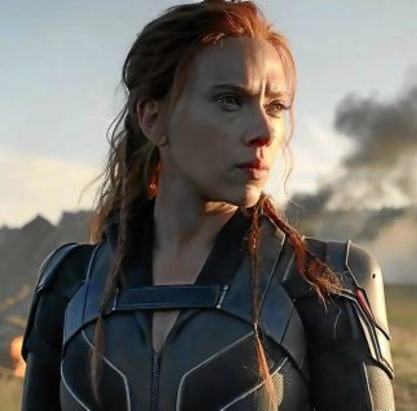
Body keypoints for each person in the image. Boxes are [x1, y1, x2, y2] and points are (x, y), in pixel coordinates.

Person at [21, 1, 394, 410]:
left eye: (276, 107)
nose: (264, 131)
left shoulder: (326, 283)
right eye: (230, 100)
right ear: (153, 118)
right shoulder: (70, 281)